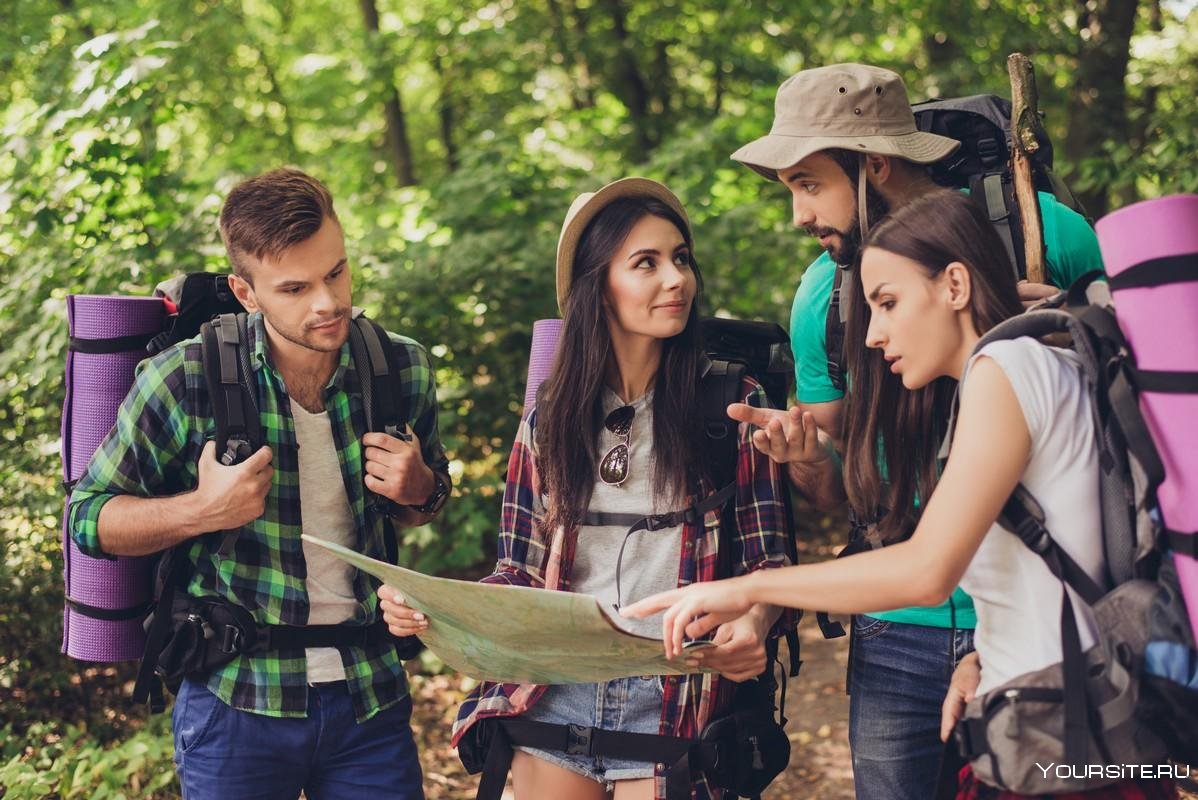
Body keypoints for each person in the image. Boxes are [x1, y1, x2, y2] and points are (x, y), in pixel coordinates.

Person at [625, 190, 1177, 800]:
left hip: (1069, 740)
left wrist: (743, 587)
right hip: (1067, 719)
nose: (873, 334)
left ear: (956, 286)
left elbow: (927, 570)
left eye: (888, 304)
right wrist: (986, 657)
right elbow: (1051, 565)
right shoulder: (1040, 364)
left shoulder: (1007, 369)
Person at [722, 63, 1105, 799]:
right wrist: (807, 461)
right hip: (902, 628)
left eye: (808, 183)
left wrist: (1063, 311)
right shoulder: (822, 297)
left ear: (873, 166)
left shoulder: (1046, 232)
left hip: (1053, 619)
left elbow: (1135, 388)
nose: (800, 215)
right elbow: (843, 488)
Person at [380, 177, 794, 800]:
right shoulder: (550, 418)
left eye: (681, 259)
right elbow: (517, 572)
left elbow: (771, 562)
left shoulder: (730, 405)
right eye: (646, 263)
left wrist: (756, 623)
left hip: (676, 697)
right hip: (552, 693)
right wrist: (434, 609)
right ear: (596, 285)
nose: (676, 279)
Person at [68, 167, 451, 799]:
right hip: (234, 701)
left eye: (337, 273)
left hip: (369, 694)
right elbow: (88, 519)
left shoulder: (400, 366)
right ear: (246, 293)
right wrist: (202, 510)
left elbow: (427, 505)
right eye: (295, 288)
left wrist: (420, 488)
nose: (327, 302)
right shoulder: (182, 379)